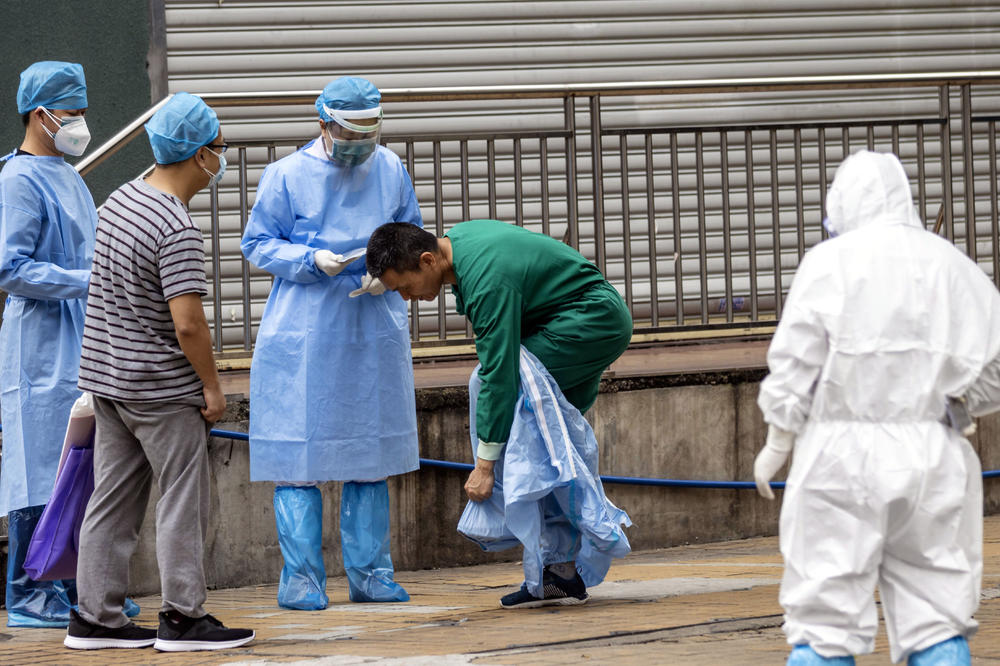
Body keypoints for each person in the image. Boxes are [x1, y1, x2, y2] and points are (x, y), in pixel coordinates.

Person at [753, 150, 1000, 665]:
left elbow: (797, 361)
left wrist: (779, 438)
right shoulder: (951, 264)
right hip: (933, 451)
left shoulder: (828, 262)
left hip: (838, 454)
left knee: (825, 616)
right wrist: (958, 405)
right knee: (937, 610)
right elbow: (994, 364)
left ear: (842, 203)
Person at [65, 92, 254, 651]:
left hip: (108, 381)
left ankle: (95, 617)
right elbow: (189, 325)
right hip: (161, 390)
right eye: (219, 149)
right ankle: (182, 617)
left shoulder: (119, 200)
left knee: (111, 500)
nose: (221, 160)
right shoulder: (176, 229)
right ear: (200, 155)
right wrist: (212, 387)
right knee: (181, 500)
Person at [365, 218, 634, 608]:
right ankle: (557, 572)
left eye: (405, 288)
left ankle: (573, 538)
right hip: (575, 322)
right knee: (541, 440)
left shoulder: (486, 277)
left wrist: (485, 466)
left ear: (427, 261)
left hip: (590, 322)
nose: (406, 298)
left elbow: (498, 374)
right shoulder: (458, 246)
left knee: (493, 391)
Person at [240, 76, 420, 609]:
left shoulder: (390, 168)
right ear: (322, 122)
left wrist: (387, 272)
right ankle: (301, 578)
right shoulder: (287, 175)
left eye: (370, 130)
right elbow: (256, 242)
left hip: (372, 317)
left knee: (370, 451)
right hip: (306, 326)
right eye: (350, 131)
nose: (361, 142)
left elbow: (411, 233)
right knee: (300, 453)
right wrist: (306, 260)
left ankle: (371, 574)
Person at [0, 60, 139, 628]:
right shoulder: (19, 181)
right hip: (39, 343)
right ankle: (31, 592)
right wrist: (88, 280)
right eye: (73, 112)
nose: (81, 121)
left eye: (83, 111)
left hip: (79, 337)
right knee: (39, 465)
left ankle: (82, 585)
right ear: (41, 114)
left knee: (81, 463)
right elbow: (10, 268)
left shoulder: (67, 173)